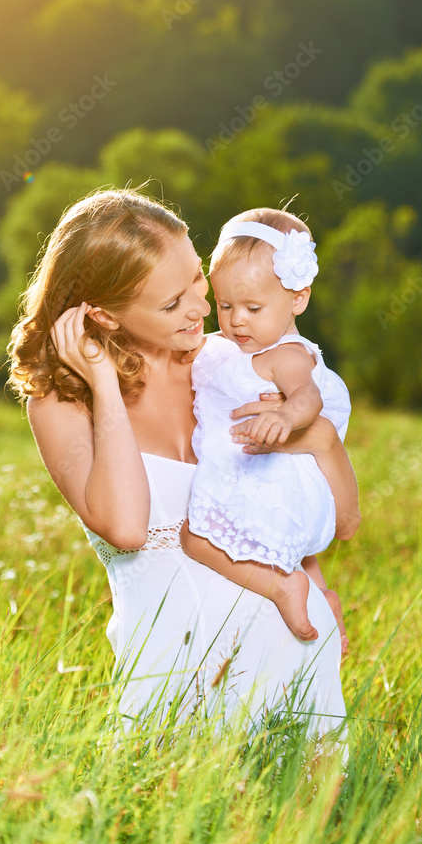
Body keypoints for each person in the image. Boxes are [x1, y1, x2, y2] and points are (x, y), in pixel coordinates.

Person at [7, 188, 360, 741]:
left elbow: (280, 492)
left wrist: (314, 587)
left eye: (198, 279)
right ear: (103, 315)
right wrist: (104, 382)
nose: (201, 308)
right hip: (172, 675)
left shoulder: (225, 363)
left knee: (315, 819)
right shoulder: (62, 401)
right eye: (172, 303)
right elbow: (126, 528)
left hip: (288, 645)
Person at [181, 208, 351, 643]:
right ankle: (320, 595)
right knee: (294, 550)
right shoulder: (224, 347)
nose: (237, 319)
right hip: (257, 469)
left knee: (194, 538)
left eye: (253, 308)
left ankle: (284, 587)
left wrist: (285, 417)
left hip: (273, 474)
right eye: (225, 305)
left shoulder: (286, 354)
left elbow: (307, 396)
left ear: (298, 299)